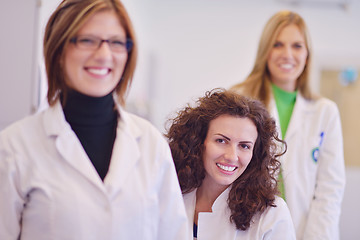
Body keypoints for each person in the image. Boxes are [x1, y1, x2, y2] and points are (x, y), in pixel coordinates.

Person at [0, 0, 189, 239]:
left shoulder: (151, 143)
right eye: (87, 40)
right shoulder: (14, 147)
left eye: (116, 42)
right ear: (58, 51)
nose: (103, 54)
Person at [231, 10, 345, 240]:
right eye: (278, 45)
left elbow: (329, 189)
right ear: (265, 51)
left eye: (297, 46)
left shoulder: (325, 112)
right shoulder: (238, 101)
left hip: (307, 230)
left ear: (307, 54)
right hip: (248, 227)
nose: (287, 54)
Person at [166, 88, 296, 240]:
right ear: (199, 142)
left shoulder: (271, 215)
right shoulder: (172, 196)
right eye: (221, 141)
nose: (232, 156)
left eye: (244, 146)